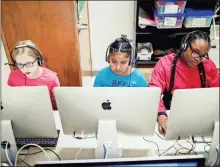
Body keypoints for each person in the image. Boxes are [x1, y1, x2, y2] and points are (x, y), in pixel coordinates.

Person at [148, 30, 219, 135]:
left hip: (200, 114)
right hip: (171, 112)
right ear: (184, 46)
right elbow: (154, 93)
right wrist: (162, 116)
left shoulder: (208, 65)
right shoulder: (165, 63)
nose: (198, 59)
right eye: (195, 52)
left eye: (203, 55)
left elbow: (216, 94)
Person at [7, 40, 60, 110]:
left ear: (39, 59)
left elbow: (58, 105)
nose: (25, 69)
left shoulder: (52, 79)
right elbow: (12, 98)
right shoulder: (13, 76)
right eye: (20, 64)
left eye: (29, 63)